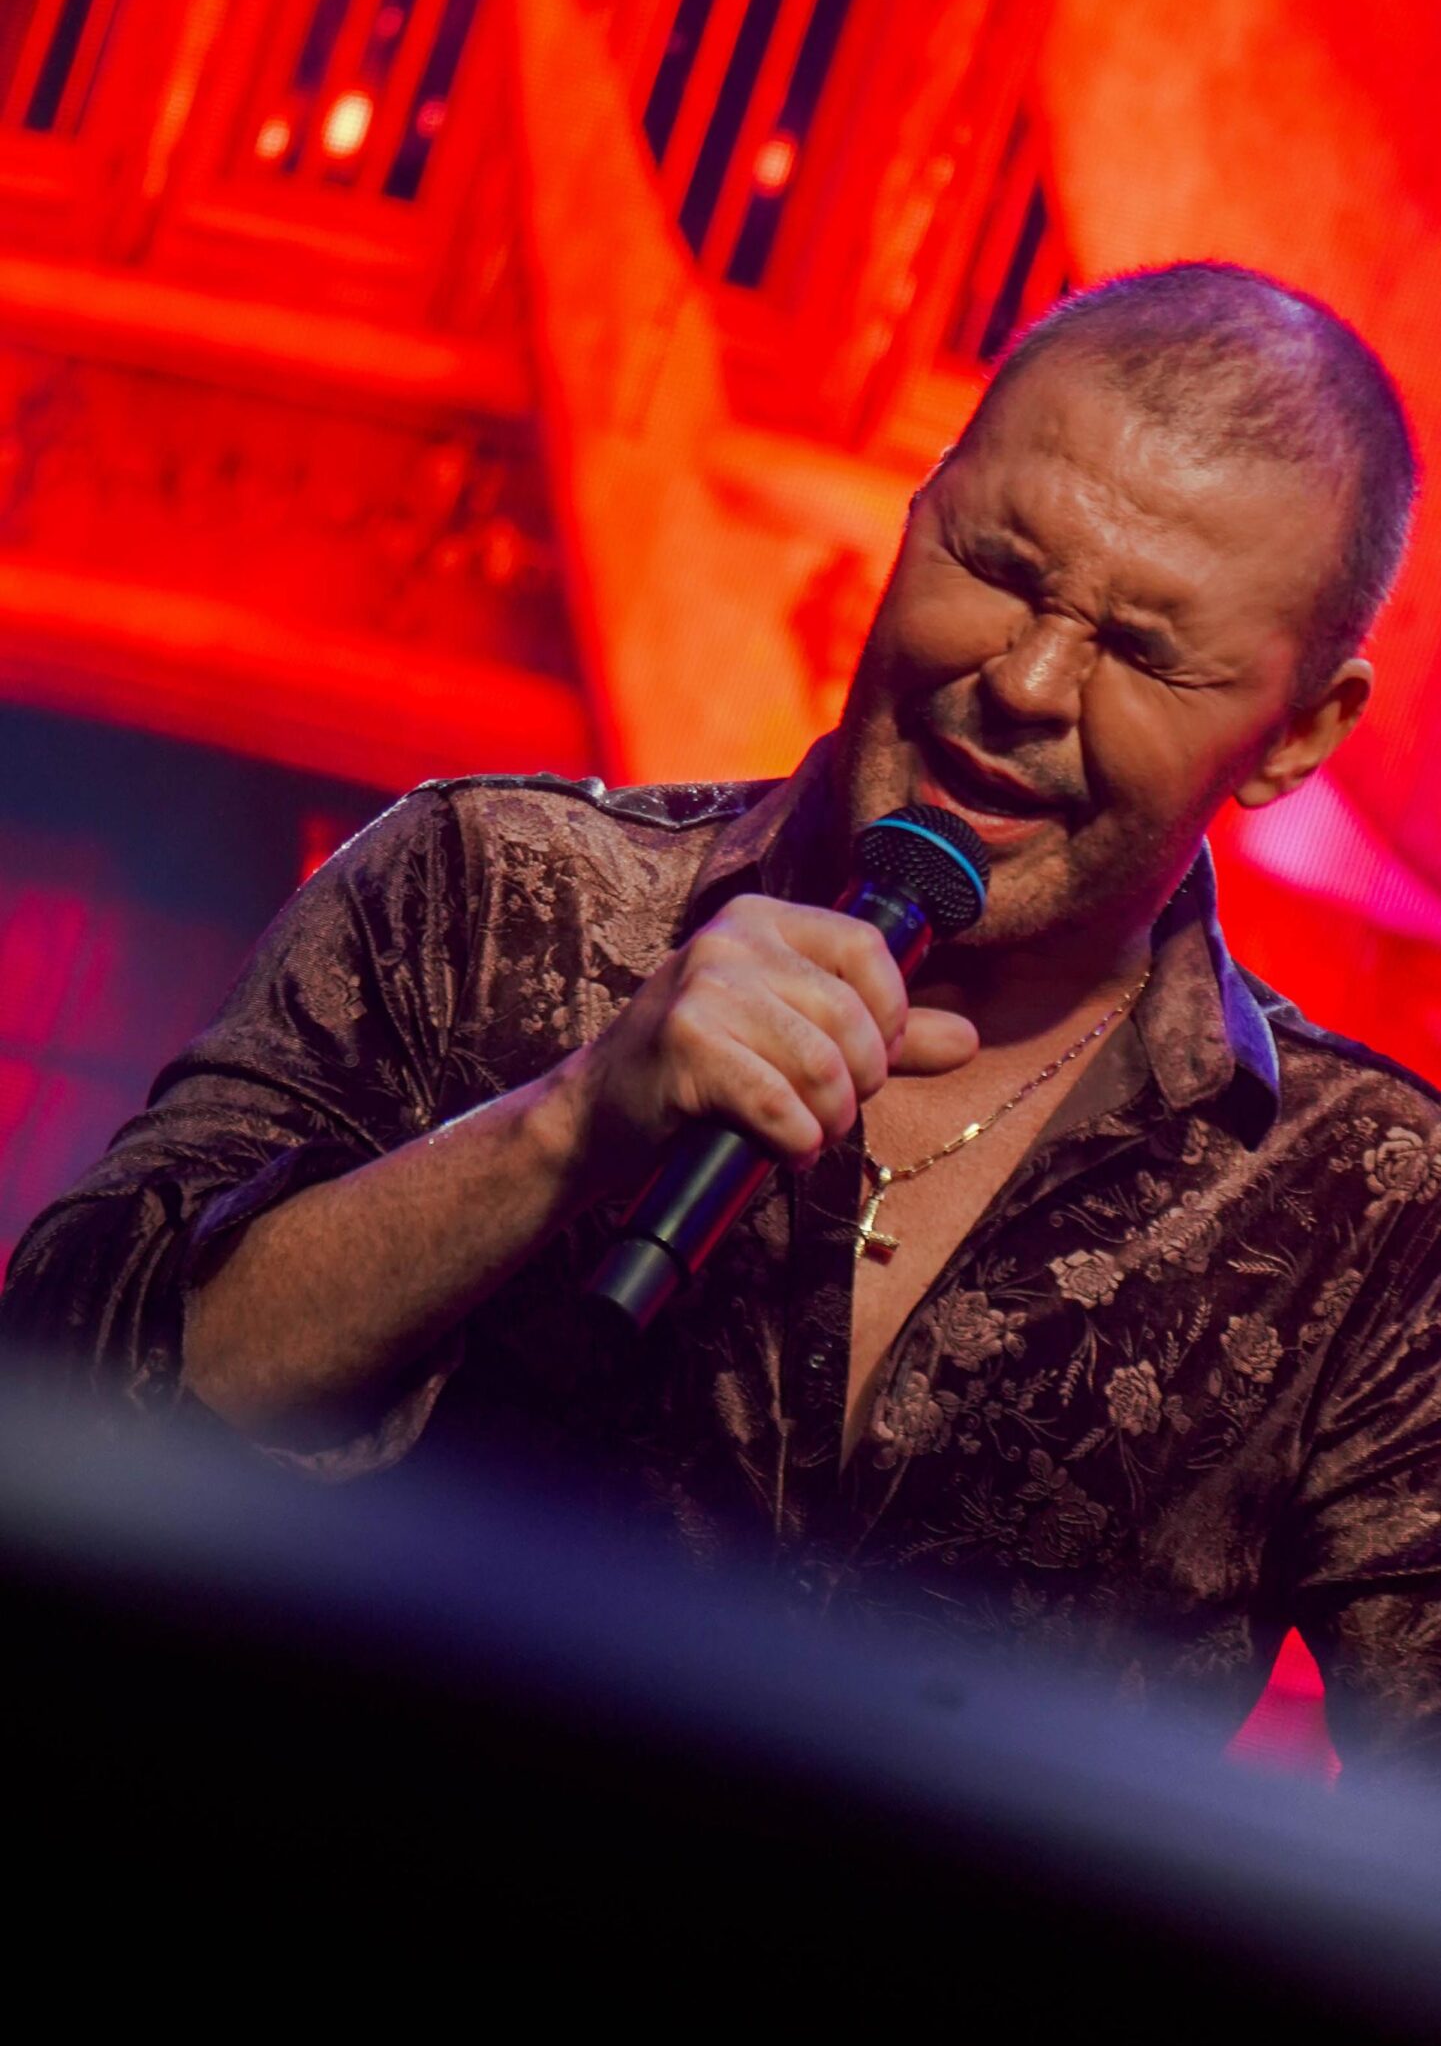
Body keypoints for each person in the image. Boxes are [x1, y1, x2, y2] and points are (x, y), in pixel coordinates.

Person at [4, 260, 1437, 1761]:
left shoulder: (1372, 1208)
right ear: (919, 509)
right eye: (998, 567)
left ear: (1298, 735)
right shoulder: (477, 889)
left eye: (1141, 651)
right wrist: (568, 1125)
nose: (1023, 681)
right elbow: (68, 1398)